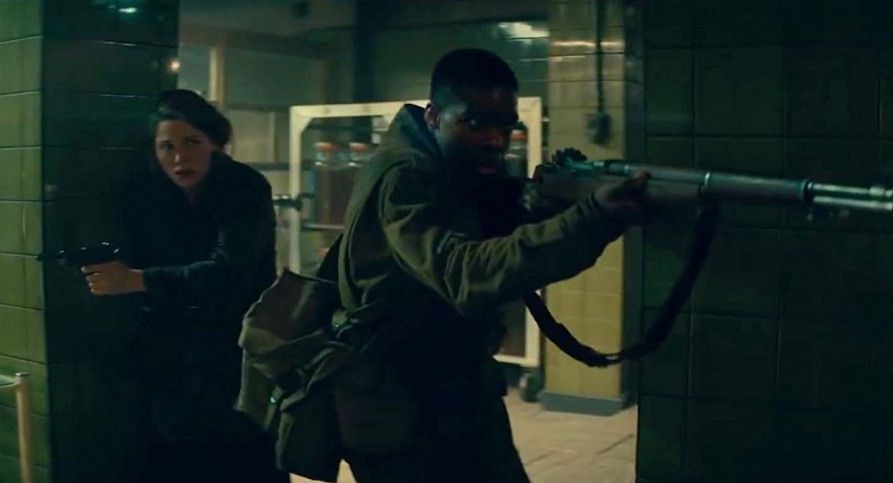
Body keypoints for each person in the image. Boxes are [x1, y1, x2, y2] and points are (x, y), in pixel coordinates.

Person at [332, 48, 651, 482]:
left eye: (505, 128)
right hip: (400, 405)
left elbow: (487, 222)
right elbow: (464, 273)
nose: (496, 141)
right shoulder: (405, 176)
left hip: (456, 387)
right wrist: (588, 218)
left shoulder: (451, 169)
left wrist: (540, 204)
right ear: (433, 117)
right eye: (475, 124)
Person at [80, 89, 289, 482]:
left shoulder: (244, 187)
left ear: (214, 142)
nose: (179, 157)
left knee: (243, 460)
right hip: (171, 361)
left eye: (191, 142)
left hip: (237, 352)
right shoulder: (150, 193)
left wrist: (135, 280)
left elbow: (229, 274)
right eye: (167, 147)